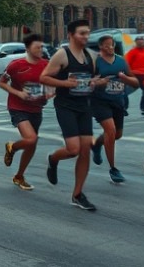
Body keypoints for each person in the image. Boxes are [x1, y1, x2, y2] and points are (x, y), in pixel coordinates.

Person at [40, 19, 103, 212]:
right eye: (82, 33)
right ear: (70, 35)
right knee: (73, 149)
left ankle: (77, 194)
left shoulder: (91, 56)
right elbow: (44, 77)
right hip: (66, 106)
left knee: (85, 150)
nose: (86, 36)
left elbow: (96, 78)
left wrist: (94, 82)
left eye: (87, 33)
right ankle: (53, 159)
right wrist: (66, 84)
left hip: (84, 106)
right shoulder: (62, 54)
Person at [0, 33, 50, 191]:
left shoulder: (47, 65)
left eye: (42, 47)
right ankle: (12, 147)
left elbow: (51, 84)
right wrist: (19, 93)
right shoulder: (16, 65)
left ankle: (19, 175)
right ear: (28, 49)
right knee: (31, 138)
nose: (41, 49)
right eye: (37, 47)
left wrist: (49, 93)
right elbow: (2, 83)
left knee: (31, 143)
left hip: (37, 107)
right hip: (17, 106)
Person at [90, 35, 139, 183]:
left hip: (118, 101)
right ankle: (113, 169)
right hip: (100, 102)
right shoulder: (95, 61)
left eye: (112, 45)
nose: (110, 48)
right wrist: (99, 82)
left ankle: (97, 144)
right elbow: (86, 82)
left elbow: (135, 82)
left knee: (117, 135)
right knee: (110, 131)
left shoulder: (121, 61)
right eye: (107, 45)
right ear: (100, 47)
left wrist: (124, 78)